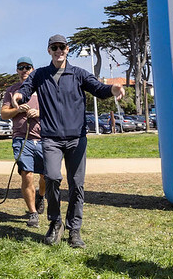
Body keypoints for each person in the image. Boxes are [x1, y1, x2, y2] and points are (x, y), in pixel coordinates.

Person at [14, 34, 124, 248]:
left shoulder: (79, 74)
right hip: (51, 139)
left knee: (77, 185)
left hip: (76, 138)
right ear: (49, 51)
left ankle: (74, 230)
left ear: (67, 49)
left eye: (62, 47)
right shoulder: (40, 75)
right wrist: (19, 96)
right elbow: (26, 90)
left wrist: (113, 89)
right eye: (54, 47)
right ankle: (55, 222)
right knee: (53, 178)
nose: (58, 50)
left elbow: (98, 89)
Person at [1, 56, 46, 228]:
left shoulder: (42, 89)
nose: (24, 70)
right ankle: (33, 213)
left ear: (33, 69)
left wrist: (39, 112)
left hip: (43, 138)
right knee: (27, 174)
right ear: (17, 70)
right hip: (21, 138)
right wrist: (17, 109)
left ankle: (41, 196)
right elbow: (4, 113)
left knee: (46, 176)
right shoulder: (12, 90)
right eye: (21, 67)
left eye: (27, 67)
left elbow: (54, 109)